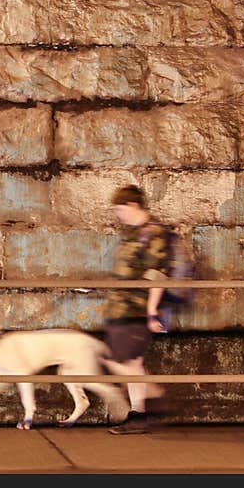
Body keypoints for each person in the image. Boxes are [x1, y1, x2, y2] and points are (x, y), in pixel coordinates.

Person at [101, 184, 169, 434]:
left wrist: (151, 311)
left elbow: (158, 274)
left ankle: (151, 400)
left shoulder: (153, 233)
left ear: (132, 205)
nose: (118, 214)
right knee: (131, 363)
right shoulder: (133, 233)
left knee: (119, 360)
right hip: (122, 308)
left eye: (119, 209)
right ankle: (140, 412)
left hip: (136, 309)